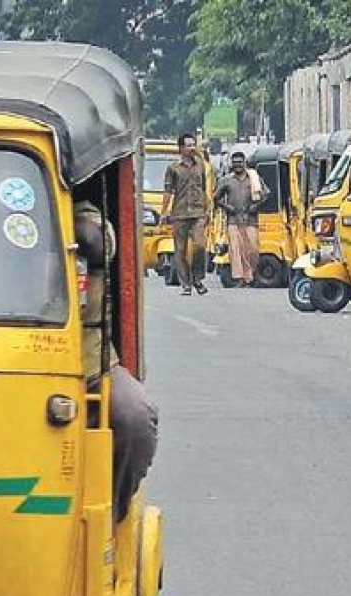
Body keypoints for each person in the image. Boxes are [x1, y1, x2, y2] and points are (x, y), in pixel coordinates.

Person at [74, 194, 159, 522]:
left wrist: (60, 228)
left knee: (134, 417)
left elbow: (99, 241)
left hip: (86, 362)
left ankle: (113, 513)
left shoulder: (81, 211)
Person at [161, 132, 209, 296]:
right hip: (179, 213)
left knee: (200, 246)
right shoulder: (173, 168)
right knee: (179, 250)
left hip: (198, 212)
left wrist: (207, 209)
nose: (191, 148)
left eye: (193, 144)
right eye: (188, 145)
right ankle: (186, 284)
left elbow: (203, 188)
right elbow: (168, 191)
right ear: (181, 148)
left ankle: (198, 278)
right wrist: (163, 212)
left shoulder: (200, 164)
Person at [214, 150, 270, 287]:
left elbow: (266, 194)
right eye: (235, 163)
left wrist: (256, 205)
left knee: (252, 250)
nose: (237, 165)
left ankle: (250, 275)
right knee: (236, 249)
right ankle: (240, 278)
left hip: (251, 219)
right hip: (233, 219)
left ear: (245, 163)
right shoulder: (226, 180)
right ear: (231, 165)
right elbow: (215, 198)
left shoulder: (254, 178)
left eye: (240, 162)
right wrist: (227, 207)